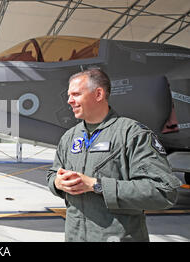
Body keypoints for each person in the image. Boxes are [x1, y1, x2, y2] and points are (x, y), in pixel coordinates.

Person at [46, 68, 182, 242]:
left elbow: (164, 192)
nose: (69, 101)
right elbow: (52, 174)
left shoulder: (132, 134)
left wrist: (97, 185)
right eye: (69, 95)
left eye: (76, 94)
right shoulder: (70, 137)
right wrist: (57, 183)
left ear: (98, 94)